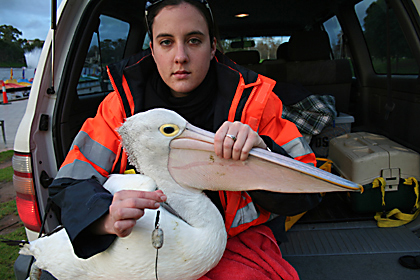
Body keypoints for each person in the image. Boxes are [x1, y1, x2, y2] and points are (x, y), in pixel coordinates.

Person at [47, 0, 321, 279]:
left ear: (212, 46)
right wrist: (104, 217)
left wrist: (262, 152)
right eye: (166, 42)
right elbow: (70, 183)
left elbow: (308, 192)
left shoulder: (256, 102)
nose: (180, 56)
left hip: (237, 240)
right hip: (145, 239)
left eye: (193, 40)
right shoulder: (119, 108)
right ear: (152, 49)